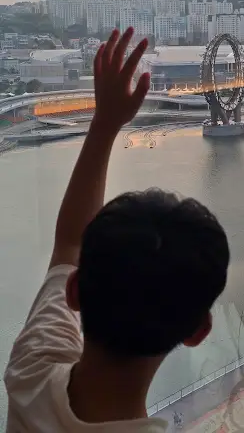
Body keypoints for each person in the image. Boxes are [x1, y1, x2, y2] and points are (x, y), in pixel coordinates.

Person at [4, 28, 230, 432]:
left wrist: (105, 123)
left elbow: (69, 242)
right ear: (198, 331)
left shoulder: (31, 373)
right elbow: (71, 245)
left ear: (75, 291)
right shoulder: (33, 365)